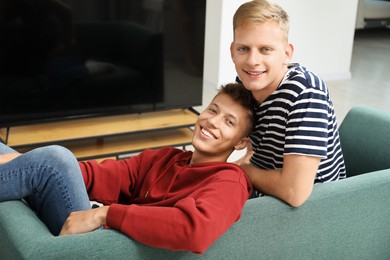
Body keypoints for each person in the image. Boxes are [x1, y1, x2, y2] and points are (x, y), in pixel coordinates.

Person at [0, 82, 255, 254]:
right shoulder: (167, 158)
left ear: (241, 142)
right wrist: (25, 163)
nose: (212, 122)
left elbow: (194, 230)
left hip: (110, 247)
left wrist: (105, 214)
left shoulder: (230, 181)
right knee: (8, 151)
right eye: (213, 110)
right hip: (96, 229)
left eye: (229, 122)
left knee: (57, 158)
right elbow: (101, 175)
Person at [230, 0, 346, 207]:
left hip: (312, 208)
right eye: (243, 49)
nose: (252, 61)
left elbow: (295, 193)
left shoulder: (305, 92)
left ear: (287, 54)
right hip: (266, 194)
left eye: (265, 49)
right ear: (232, 51)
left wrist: (244, 170)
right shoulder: (247, 82)